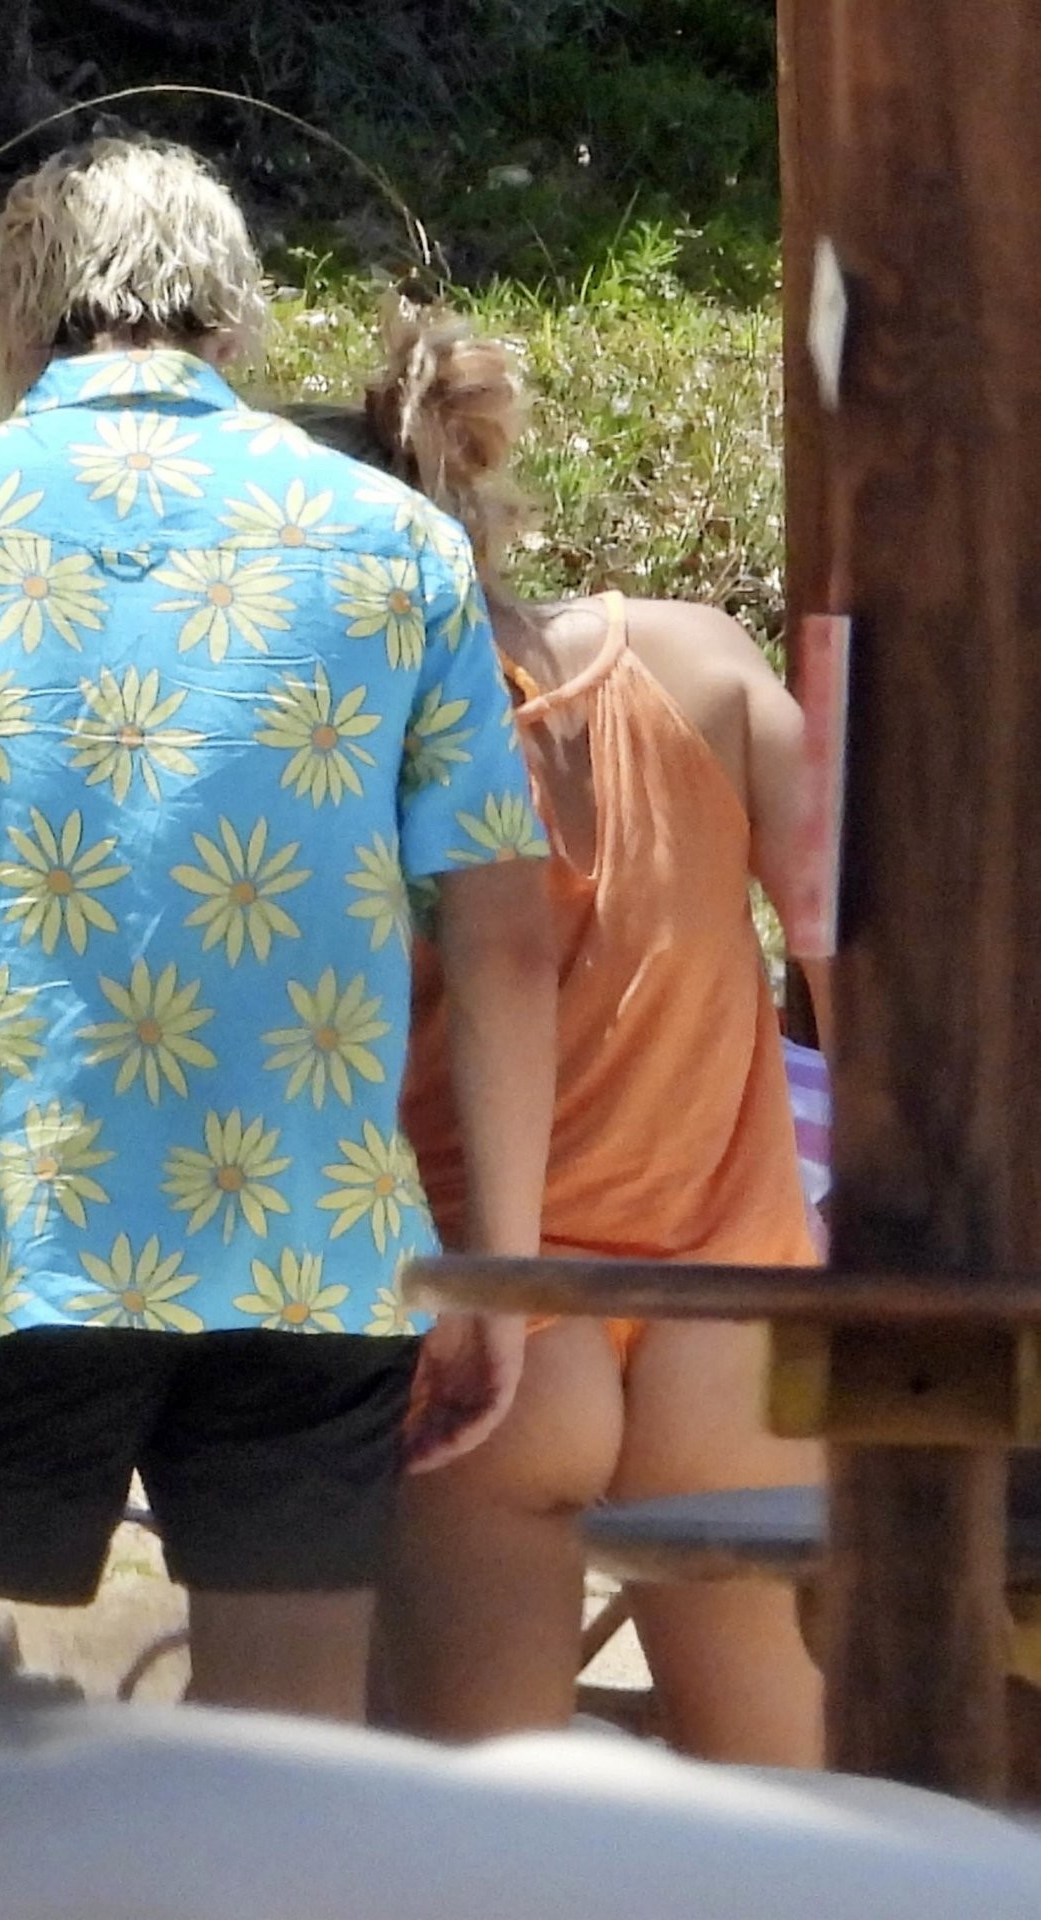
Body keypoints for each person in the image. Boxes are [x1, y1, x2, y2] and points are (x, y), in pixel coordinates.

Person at [0, 142, 556, 1723]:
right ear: (233, 315)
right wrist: (495, 1264)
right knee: (278, 1787)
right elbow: (507, 935)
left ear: (12, 315)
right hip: (307, 1242)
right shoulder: (396, 542)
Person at [289, 302, 831, 1762]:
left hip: (497, 1311)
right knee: (791, 1806)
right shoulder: (703, 662)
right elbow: (855, 944)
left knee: (489, 1822)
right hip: (735, 1311)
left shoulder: (341, 754)